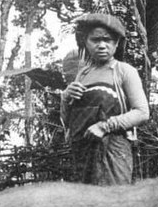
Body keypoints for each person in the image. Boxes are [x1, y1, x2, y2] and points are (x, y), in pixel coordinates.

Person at [60, 13, 149, 185]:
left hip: (113, 150)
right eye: (95, 40)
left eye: (107, 40)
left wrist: (104, 126)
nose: (102, 45)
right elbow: (68, 121)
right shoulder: (82, 74)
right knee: (86, 205)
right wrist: (66, 98)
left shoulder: (123, 71)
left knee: (113, 203)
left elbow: (142, 112)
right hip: (83, 151)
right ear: (86, 42)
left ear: (116, 44)